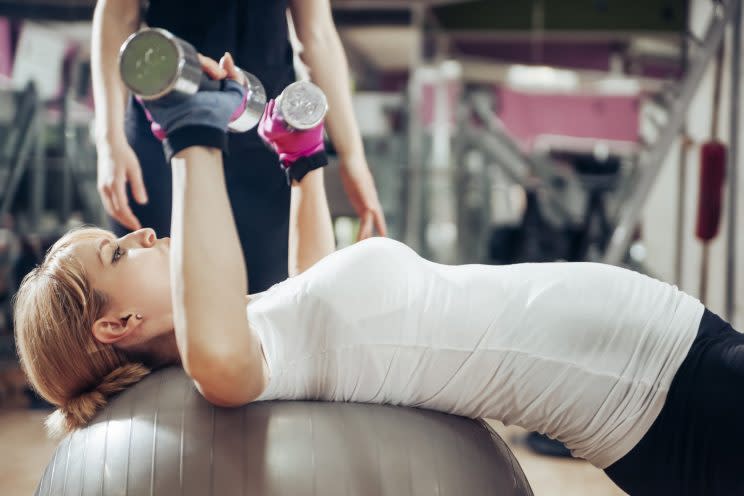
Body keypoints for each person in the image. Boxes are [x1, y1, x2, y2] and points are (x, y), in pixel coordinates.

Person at [15, 55, 744, 496]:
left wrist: (302, 164)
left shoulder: (266, 327)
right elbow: (220, 355)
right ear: (117, 327)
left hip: (667, 358)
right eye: (118, 253)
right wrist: (191, 135)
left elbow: (311, 284)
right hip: (664, 392)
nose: (139, 232)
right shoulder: (225, 361)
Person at [91, 0, 386, 292]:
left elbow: (316, 34)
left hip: (263, 138)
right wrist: (109, 141)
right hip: (163, 131)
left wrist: (353, 158)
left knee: (271, 299)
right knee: (150, 295)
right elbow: (117, 15)